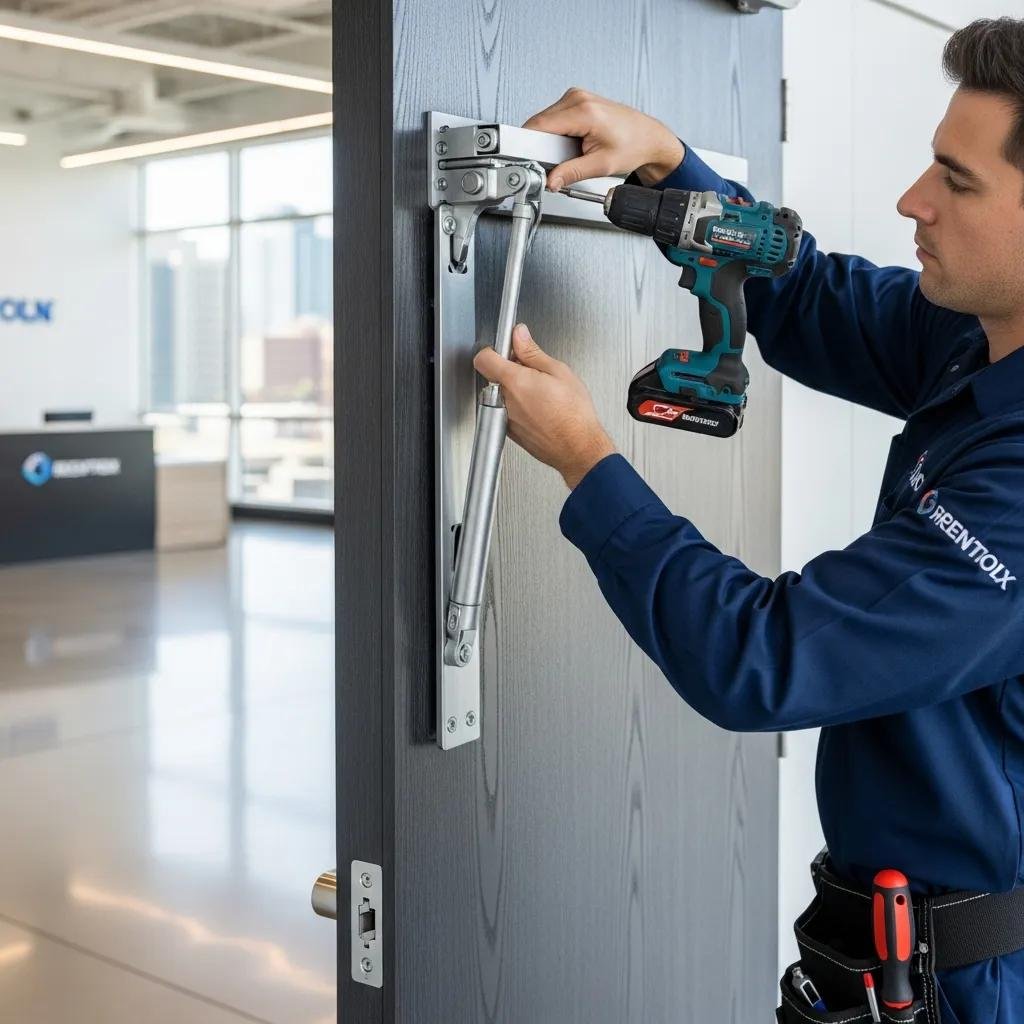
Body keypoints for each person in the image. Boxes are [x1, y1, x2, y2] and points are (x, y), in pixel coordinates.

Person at [473, 18, 1024, 1024]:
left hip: (971, 986)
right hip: (884, 950)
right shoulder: (980, 342)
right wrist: (670, 163)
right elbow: (810, 297)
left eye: (957, 179)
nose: (913, 199)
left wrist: (586, 462)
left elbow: (765, 659)